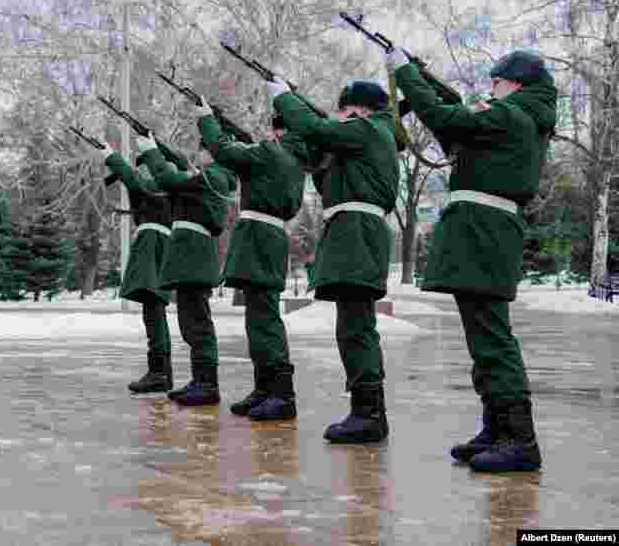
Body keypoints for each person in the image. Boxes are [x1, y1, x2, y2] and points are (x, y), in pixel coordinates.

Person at [388, 47, 556, 472]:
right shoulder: (515, 119)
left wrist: (406, 74)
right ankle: (497, 428)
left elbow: (449, 120)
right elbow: (458, 134)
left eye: (497, 82)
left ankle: (520, 440)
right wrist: (431, 91)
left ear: (516, 83)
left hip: (485, 234)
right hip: (482, 233)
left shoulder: (512, 116)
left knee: (492, 339)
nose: (492, 90)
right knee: (484, 339)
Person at [267, 78, 399, 443]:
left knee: (356, 328)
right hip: (351, 232)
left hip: (356, 233)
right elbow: (318, 159)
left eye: (344, 110)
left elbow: (316, 128)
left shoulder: (369, 130)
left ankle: (368, 415)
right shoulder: (363, 140)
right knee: (354, 327)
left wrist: (285, 97)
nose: (340, 117)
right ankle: (367, 411)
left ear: (361, 110)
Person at [194, 96, 309, 420]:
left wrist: (206, 118)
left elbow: (226, 151)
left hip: (260, 237)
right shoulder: (292, 156)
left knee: (265, 318)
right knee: (258, 317)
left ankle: (282, 394)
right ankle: (266, 388)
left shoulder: (274, 152)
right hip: (265, 236)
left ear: (278, 132)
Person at [138, 132, 237, 406]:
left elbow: (170, 180)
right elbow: (181, 171)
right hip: (191, 256)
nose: (199, 154)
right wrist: (159, 146)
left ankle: (206, 384)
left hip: (193, 256)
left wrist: (151, 152)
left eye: (203, 149)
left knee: (197, 324)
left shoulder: (213, 176)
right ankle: (201, 380)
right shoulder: (212, 177)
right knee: (192, 322)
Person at [99, 144, 175, 393]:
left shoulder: (161, 187)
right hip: (156, 244)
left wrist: (110, 156)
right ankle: (161, 372)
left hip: (152, 245)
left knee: (153, 311)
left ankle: (159, 373)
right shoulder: (168, 189)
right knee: (153, 311)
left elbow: (135, 182)